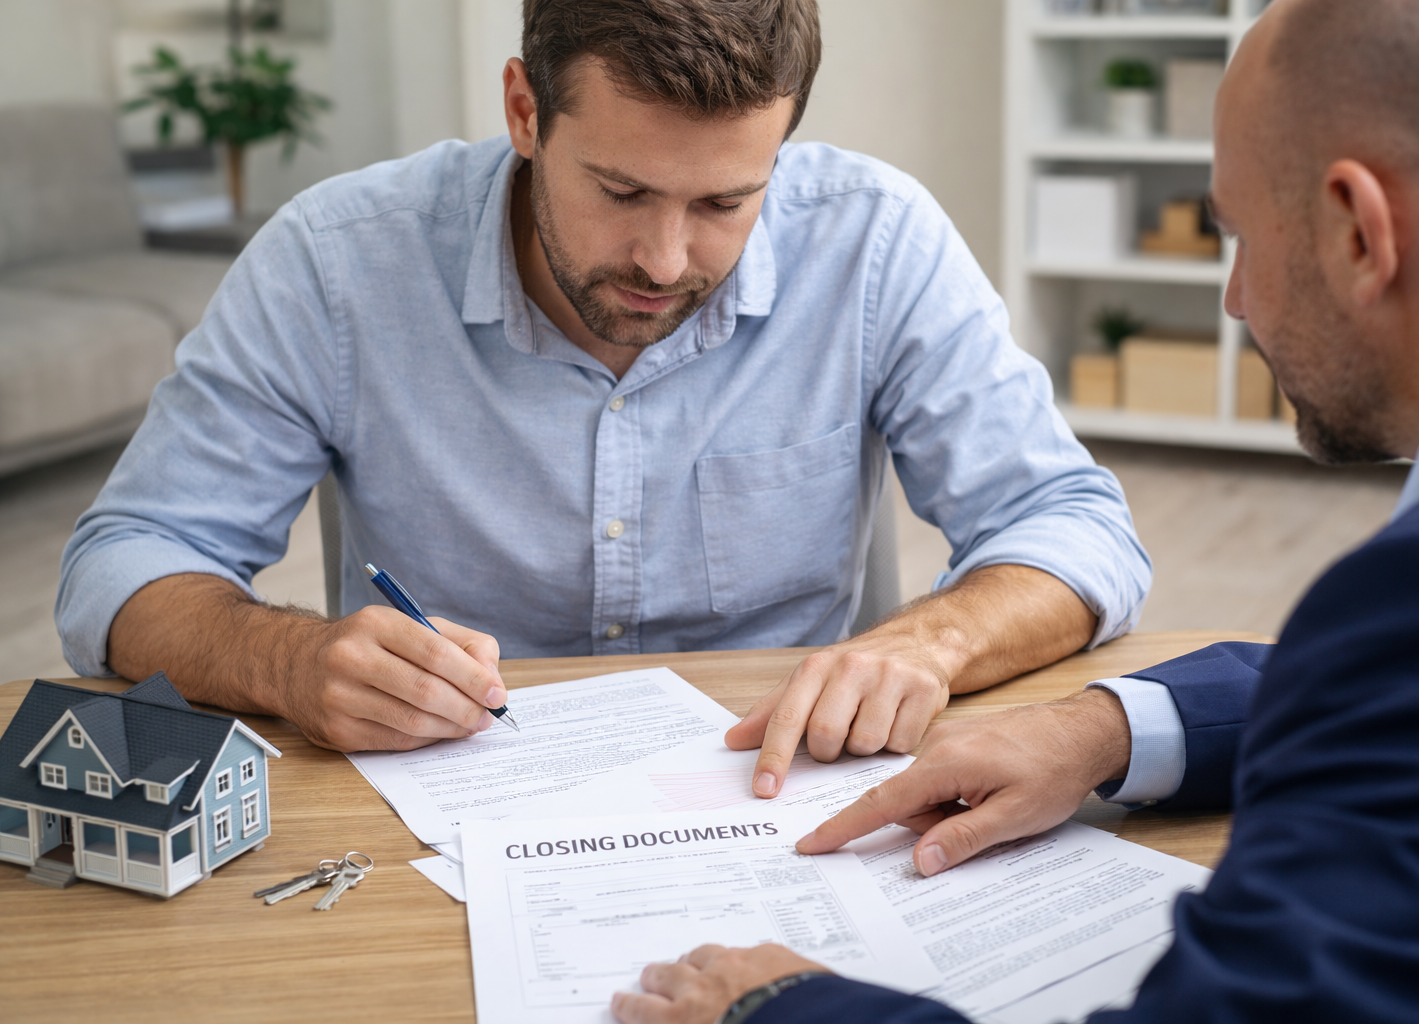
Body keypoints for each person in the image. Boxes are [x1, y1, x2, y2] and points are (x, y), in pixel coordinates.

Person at [613, 0, 1419, 1021]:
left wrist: (780, 1009)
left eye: (1237, 235)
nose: (1235, 300)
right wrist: (1107, 729)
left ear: (1359, 232)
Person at [54, 0, 1150, 769]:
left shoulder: (875, 242)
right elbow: (127, 560)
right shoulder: (337, 261)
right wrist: (288, 659)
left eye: (725, 203)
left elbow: (1073, 525)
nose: (665, 262)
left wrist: (930, 641)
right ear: (524, 112)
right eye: (621, 191)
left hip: (782, 795)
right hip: (441, 817)